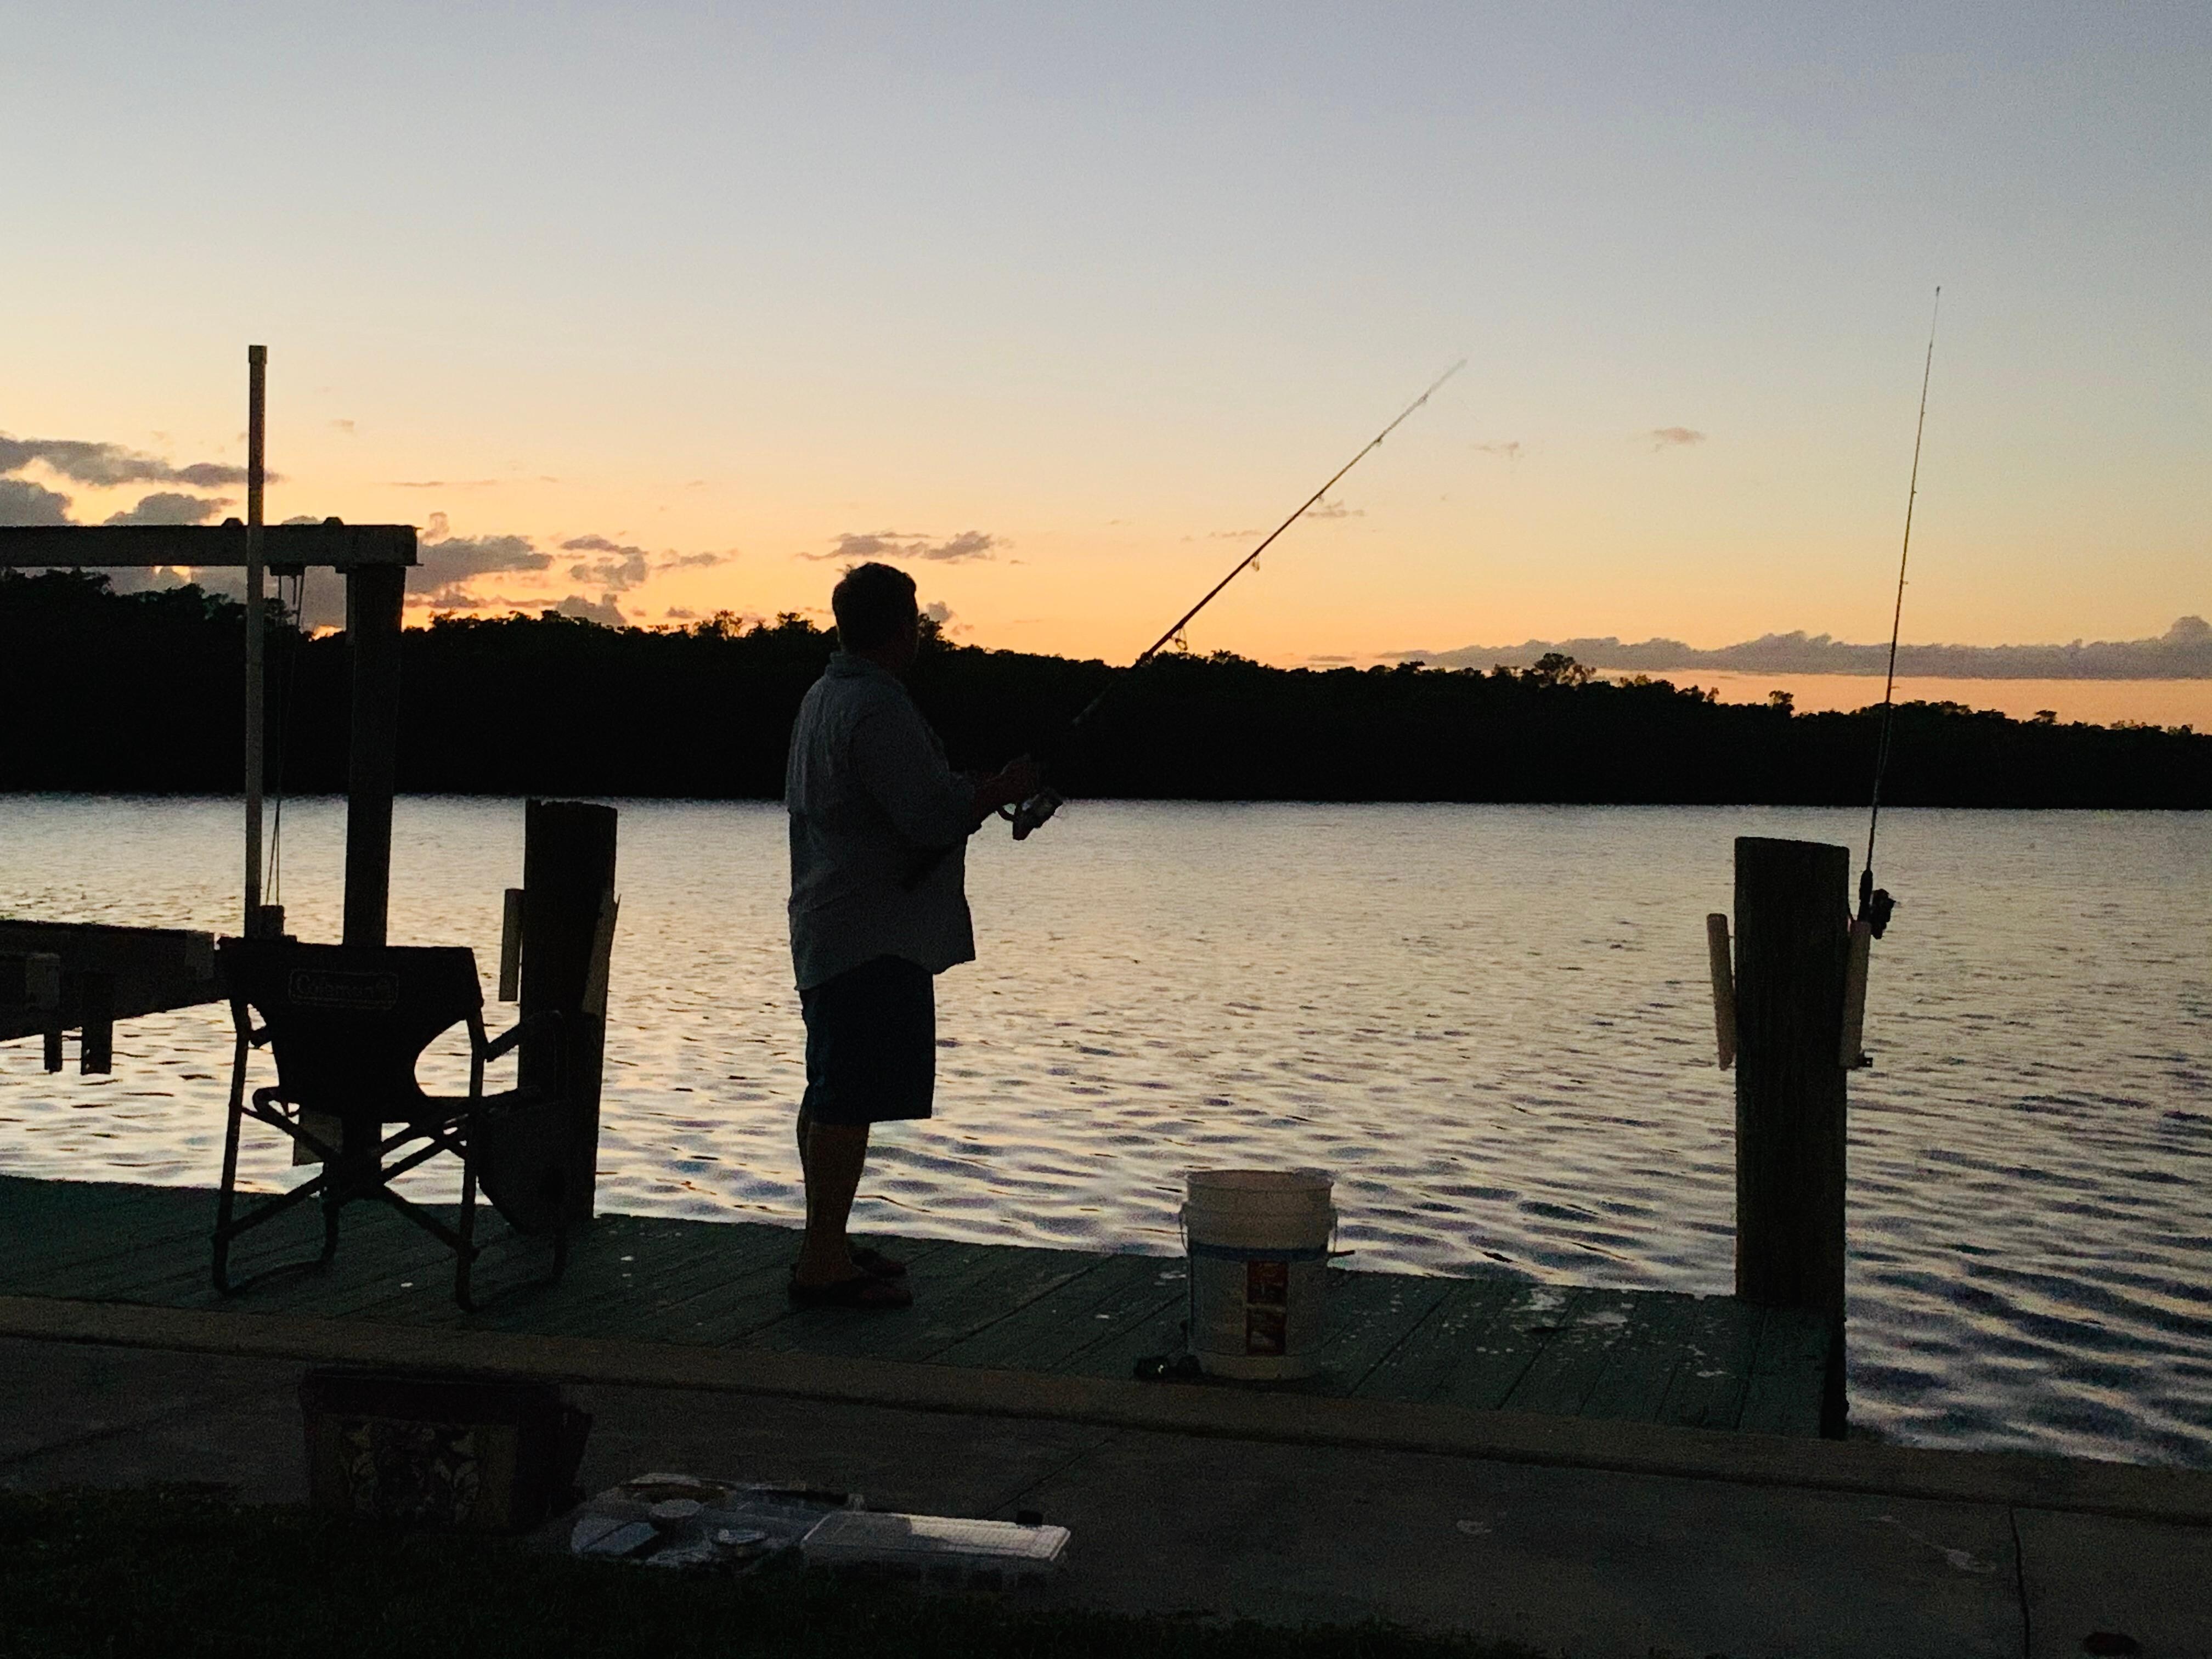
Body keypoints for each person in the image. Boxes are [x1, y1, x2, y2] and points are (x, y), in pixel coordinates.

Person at [783, 562, 1039, 1309]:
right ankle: (822, 1261)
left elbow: (905, 800)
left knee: (833, 1088)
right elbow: (925, 818)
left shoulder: (825, 697)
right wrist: (1000, 790)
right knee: (845, 1095)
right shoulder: (877, 708)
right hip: (870, 934)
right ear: (904, 626)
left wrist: (970, 791)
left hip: (833, 923)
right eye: (917, 618)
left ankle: (823, 1241)